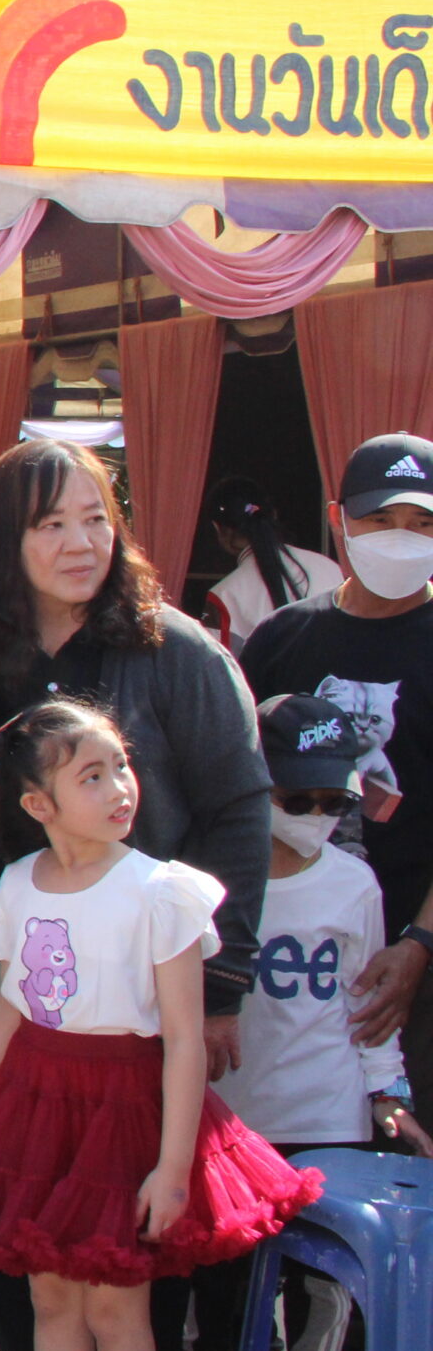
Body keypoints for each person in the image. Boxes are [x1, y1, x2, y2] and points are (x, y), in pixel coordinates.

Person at [0, 437, 271, 1351]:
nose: (79, 541)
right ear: (5, 541)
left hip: (146, 1003)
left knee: (135, 1253)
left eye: (95, 516)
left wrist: (222, 985)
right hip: (32, 984)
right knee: (23, 1220)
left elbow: (239, 810)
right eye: (50, 523)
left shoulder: (173, 650)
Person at [0, 699, 319, 1351]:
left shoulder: (163, 891)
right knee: (52, 1300)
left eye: (121, 766)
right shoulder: (19, 882)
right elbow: (11, 1010)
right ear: (39, 805)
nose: (121, 787)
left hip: (125, 1109)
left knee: (117, 1308)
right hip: (38, 1107)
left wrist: (172, 1169)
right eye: (92, 776)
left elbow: (184, 1040)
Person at [178, 693, 430, 1351]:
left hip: (327, 1112)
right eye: (299, 799)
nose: (317, 815)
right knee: (210, 1255)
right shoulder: (209, 879)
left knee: (321, 1275)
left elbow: (370, 1004)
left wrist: (387, 1092)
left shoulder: (355, 885)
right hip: (230, 1107)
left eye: (335, 801)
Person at [239, 434, 433, 1144]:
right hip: (291, 961)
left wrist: (418, 944)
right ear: (339, 518)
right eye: (381, 520)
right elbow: (236, 788)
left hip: (413, 949)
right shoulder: (281, 639)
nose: (401, 537)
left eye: (422, 522)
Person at [203, 477, 341, 655]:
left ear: (219, 529)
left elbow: (218, 666)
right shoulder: (329, 567)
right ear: (273, 515)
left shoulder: (224, 594)